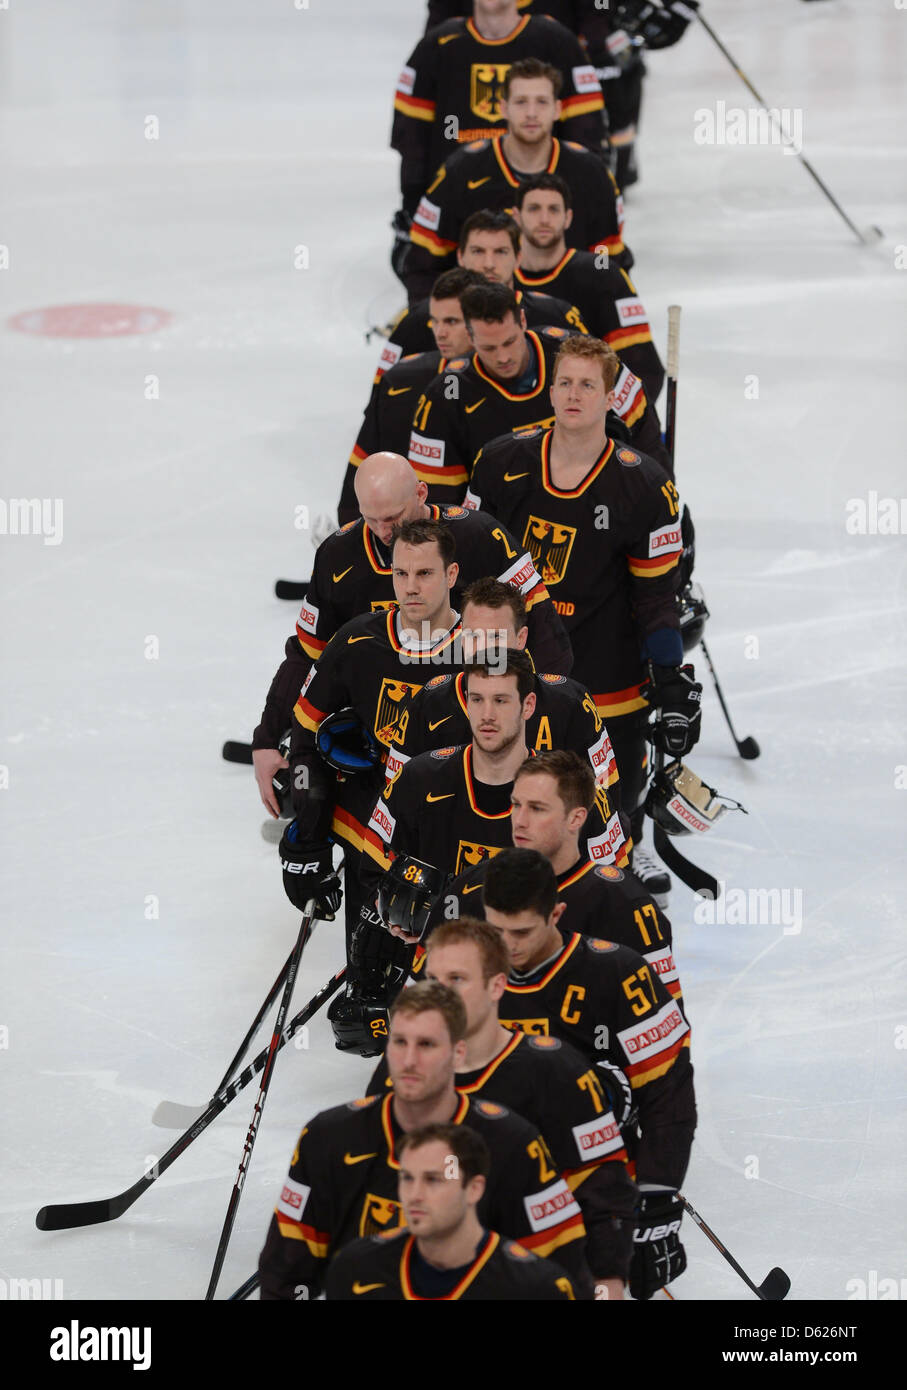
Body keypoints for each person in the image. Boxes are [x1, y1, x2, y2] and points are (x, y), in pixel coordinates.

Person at [465, 332, 699, 893]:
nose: (574, 394)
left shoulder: (643, 483)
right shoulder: (501, 461)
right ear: (550, 391)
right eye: (564, 382)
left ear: (609, 397)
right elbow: (473, 567)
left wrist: (668, 676)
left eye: (587, 384)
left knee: (610, 782)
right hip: (517, 663)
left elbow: (655, 596)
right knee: (513, 776)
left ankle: (626, 853)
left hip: (608, 667)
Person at [253, 458, 572, 818]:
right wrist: (267, 738)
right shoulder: (338, 555)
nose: (384, 531)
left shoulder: (480, 537)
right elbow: (307, 654)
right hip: (380, 742)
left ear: (421, 492)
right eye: (371, 519)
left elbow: (547, 638)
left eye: (393, 518)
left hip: (474, 735)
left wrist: (534, 729)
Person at [258, 983, 588, 1298]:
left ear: (459, 1053)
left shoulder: (515, 1143)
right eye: (399, 1042)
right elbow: (285, 1271)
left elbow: (565, 1271)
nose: (409, 1060)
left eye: (427, 1044)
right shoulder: (326, 1137)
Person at [366, 918, 637, 1296]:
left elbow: (601, 1190)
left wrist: (607, 1280)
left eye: (456, 980)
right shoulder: (401, 1066)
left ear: (496, 985)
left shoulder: (553, 1072)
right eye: (433, 981)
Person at [482, 847, 696, 1301]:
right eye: (495, 930)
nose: (508, 946)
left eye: (521, 931)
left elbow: (668, 1092)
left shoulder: (619, 973)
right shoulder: (461, 977)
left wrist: (655, 1199)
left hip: (589, 1188)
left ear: (557, 913)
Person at [363, 649, 627, 908]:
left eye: (500, 700)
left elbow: (610, 900)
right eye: (477, 700)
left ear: (528, 705)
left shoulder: (577, 796)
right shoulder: (417, 780)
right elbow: (375, 873)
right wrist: (393, 913)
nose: (487, 714)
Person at [432, 751, 682, 1003]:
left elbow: (664, 1022)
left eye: (537, 809)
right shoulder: (469, 888)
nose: (519, 821)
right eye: (516, 805)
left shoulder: (626, 904)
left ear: (576, 818)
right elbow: (421, 1008)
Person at [407, 281, 666, 501]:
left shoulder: (583, 357)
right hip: (504, 533)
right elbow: (439, 503)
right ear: (470, 336)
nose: (503, 357)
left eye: (510, 341)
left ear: (522, 320)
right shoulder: (443, 397)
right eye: (489, 348)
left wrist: (659, 503)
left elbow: (646, 433)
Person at [403, 58, 629, 302]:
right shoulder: (462, 170)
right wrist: (440, 318)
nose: (531, 113)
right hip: (482, 322)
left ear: (557, 109)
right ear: (503, 108)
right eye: (521, 102)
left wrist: (599, 313)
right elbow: (424, 263)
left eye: (541, 102)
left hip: (571, 323)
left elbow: (607, 258)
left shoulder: (591, 173)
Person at [391, 1, 605, 246]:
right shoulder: (437, 44)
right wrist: (413, 200)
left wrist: (576, 199)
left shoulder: (557, 41)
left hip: (541, 217)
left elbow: (586, 131)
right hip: (457, 212)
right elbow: (412, 135)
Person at [400, 577, 617, 793]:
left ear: (521, 638)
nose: (484, 651)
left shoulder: (571, 704)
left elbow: (604, 796)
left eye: (496, 637)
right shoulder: (428, 704)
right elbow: (399, 796)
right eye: (474, 636)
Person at [325, 1123, 577, 1300]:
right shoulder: (355, 1268)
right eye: (407, 1178)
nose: (414, 1195)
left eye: (433, 1180)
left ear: (474, 1189)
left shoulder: (537, 1286)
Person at [513, 173, 664, 404]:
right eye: (533, 209)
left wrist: (611, 425)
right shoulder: (496, 280)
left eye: (553, 210)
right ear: (516, 216)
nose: (544, 219)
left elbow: (643, 368)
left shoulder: (603, 276)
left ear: (568, 218)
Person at [387, 210, 589, 360]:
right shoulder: (416, 324)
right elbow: (383, 406)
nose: (489, 264)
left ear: (518, 258)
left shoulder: (558, 317)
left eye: (500, 252)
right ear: (460, 257)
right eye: (478, 251)